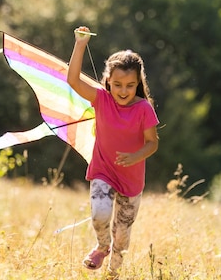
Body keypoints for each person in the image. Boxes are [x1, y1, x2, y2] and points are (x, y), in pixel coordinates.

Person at [67, 25, 160, 280]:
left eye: (130, 85)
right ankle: (100, 246)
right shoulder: (101, 99)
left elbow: (153, 143)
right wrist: (80, 44)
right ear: (108, 80)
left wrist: (136, 156)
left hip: (131, 181)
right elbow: (73, 80)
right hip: (104, 170)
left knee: (122, 235)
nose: (123, 91)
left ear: (138, 83)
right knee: (99, 214)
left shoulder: (143, 109)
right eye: (117, 84)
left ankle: (113, 273)